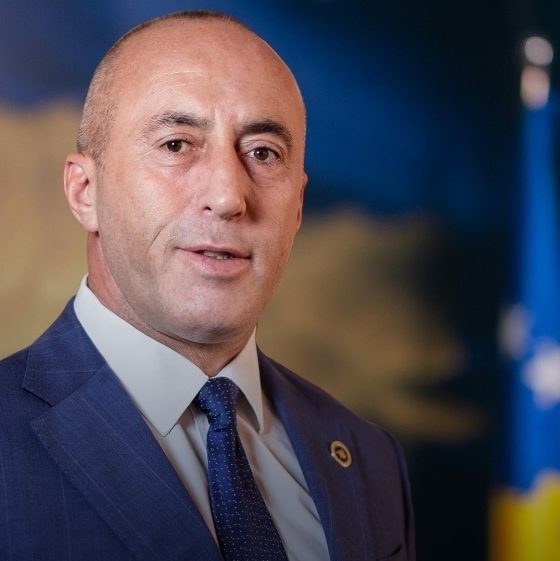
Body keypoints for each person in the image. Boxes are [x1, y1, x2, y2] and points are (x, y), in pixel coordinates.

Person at [0, 10, 414, 561]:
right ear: (85, 192)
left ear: (297, 207)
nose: (227, 196)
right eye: (177, 144)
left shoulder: (371, 461)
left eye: (263, 152)